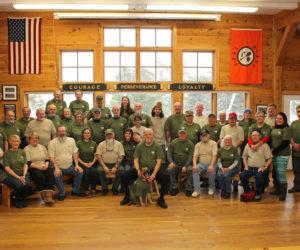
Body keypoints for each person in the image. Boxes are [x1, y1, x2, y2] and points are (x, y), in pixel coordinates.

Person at [120, 129, 170, 208]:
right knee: (124, 176)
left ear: (152, 136)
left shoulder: (157, 146)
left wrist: (153, 175)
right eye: (146, 135)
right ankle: (128, 196)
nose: (148, 136)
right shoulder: (139, 146)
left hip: (153, 170)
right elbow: (136, 160)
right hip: (141, 170)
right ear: (143, 136)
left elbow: (159, 162)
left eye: (150, 134)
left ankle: (161, 198)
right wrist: (137, 170)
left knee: (166, 176)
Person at [48, 125, 83, 201]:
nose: (62, 133)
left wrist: (77, 165)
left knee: (79, 171)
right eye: (60, 131)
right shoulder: (52, 142)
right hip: (58, 166)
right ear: (57, 132)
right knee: (56, 174)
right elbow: (51, 157)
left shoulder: (71, 140)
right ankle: (62, 193)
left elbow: (75, 154)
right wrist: (56, 168)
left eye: (63, 131)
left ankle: (75, 191)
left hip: (70, 166)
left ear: (66, 132)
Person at [240, 129, 273, 201]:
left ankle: (258, 193)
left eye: (256, 135)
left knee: (259, 176)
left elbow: (270, 158)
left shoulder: (265, 145)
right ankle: (248, 190)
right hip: (249, 167)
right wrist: (245, 166)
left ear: (260, 136)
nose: (254, 137)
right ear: (251, 136)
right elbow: (244, 157)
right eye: (253, 135)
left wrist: (265, 167)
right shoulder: (247, 145)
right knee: (242, 175)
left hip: (260, 168)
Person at [24, 132, 55, 205]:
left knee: (50, 174)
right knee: (40, 176)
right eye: (33, 138)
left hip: (44, 166)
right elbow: (29, 163)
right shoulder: (27, 149)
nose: (35, 140)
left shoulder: (42, 147)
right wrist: (39, 167)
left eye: (36, 138)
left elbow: (47, 159)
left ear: (38, 139)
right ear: (29, 139)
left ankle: (49, 196)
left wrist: (46, 166)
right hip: (34, 167)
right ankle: (44, 196)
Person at [0, 135, 30, 208]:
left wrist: (23, 175)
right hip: (9, 175)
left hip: (22, 173)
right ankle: (17, 201)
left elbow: (25, 164)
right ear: (10, 143)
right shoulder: (7, 153)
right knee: (18, 184)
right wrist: (18, 177)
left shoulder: (22, 152)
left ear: (19, 142)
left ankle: (22, 199)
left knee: (26, 184)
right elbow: (7, 168)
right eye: (13, 141)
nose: (15, 143)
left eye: (17, 141)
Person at [220, 112, 244, 192]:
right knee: (226, 169)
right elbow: (221, 139)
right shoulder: (224, 128)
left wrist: (232, 148)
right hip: (225, 152)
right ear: (228, 119)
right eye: (231, 118)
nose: (232, 120)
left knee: (235, 168)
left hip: (236, 152)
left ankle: (236, 186)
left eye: (234, 119)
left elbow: (241, 140)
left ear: (236, 120)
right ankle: (227, 185)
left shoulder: (240, 128)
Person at [96, 129, 125, 195]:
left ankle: (115, 188)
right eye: (107, 134)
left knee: (121, 170)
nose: (109, 136)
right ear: (105, 136)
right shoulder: (101, 144)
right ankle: (104, 188)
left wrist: (115, 167)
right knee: (99, 170)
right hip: (104, 164)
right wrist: (104, 167)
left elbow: (121, 156)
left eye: (110, 134)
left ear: (114, 135)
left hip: (115, 164)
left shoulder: (119, 144)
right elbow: (98, 156)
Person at [270, 112, 291, 201]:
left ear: (284, 120)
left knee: (281, 172)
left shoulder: (286, 129)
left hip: (282, 154)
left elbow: (285, 142)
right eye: (277, 118)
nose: (278, 120)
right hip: (275, 154)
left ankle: (283, 194)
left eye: (280, 118)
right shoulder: (274, 128)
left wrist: (274, 151)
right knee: (277, 172)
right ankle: (278, 190)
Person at [167, 127, 194, 197]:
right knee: (169, 169)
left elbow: (190, 156)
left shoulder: (190, 143)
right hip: (175, 163)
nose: (182, 134)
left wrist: (185, 165)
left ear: (186, 134)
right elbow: (169, 153)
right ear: (178, 134)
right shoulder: (173, 142)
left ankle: (188, 189)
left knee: (190, 169)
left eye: (184, 133)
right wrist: (171, 162)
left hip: (187, 164)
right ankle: (174, 188)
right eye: (180, 133)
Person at [192, 129, 218, 197]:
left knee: (211, 171)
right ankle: (196, 190)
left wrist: (212, 165)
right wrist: (194, 165)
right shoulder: (198, 145)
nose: (204, 136)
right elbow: (195, 156)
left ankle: (211, 188)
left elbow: (215, 156)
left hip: (211, 163)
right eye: (203, 135)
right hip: (201, 164)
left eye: (206, 135)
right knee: (195, 170)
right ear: (200, 137)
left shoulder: (213, 143)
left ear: (209, 135)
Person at [76, 128, 98, 197]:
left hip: (92, 163)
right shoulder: (79, 143)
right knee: (86, 171)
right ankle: (86, 189)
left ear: (90, 134)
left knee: (94, 171)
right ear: (82, 134)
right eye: (85, 133)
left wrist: (92, 163)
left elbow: (95, 156)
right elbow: (77, 156)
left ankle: (93, 188)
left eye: (88, 133)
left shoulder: (94, 143)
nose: (87, 134)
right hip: (82, 163)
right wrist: (84, 163)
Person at [289, 105, 300, 193]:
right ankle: (296, 187)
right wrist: (294, 144)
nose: (299, 113)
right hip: (295, 151)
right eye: (298, 111)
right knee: (296, 170)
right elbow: (290, 136)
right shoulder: (293, 123)